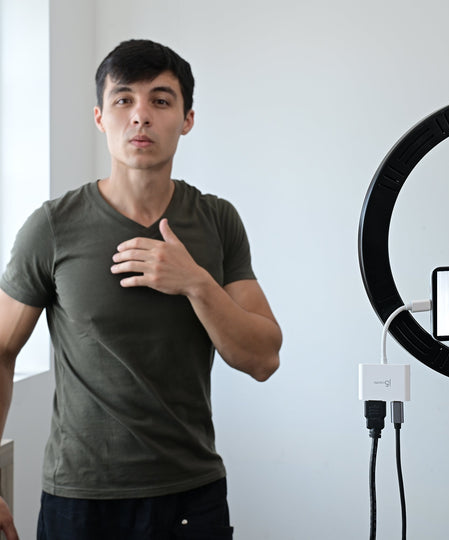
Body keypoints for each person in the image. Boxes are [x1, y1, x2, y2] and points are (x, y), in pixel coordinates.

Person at [0, 39, 282, 540]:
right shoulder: (53, 226)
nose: (140, 115)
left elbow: (263, 358)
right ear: (100, 117)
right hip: (80, 499)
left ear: (187, 119)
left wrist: (195, 282)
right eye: (123, 99)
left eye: (160, 100)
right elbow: (1, 348)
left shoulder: (217, 220)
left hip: (191, 495)